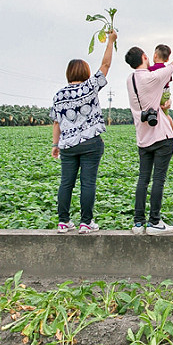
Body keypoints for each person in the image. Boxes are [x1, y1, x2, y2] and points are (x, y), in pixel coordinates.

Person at [125, 29, 173, 235]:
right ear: (144, 57)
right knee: (159, 179)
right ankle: (154, 222)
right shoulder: (154, 76)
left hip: (142, 138)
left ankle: (138, 223)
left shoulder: (130, 80)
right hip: (161, 137)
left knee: (143, 179)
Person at [50, 29, 118, 234]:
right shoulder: (90, 87)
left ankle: (63, 222)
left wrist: (55, 145)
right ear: (85, 72)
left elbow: (56, 123)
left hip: (68, 144)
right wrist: (111, 41)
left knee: (66, 183)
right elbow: (105, 65)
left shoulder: (59, 95)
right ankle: (85, 223)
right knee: (87, 183)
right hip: (91, 143)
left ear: (69, 73)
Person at [148, 44, 173, 136]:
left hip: (157, 93)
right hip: (166, 93)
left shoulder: (150, 69)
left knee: (155, 114)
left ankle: (164, 132)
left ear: (155, 55)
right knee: (165, 114)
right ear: (167, 59)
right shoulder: (166, 70)